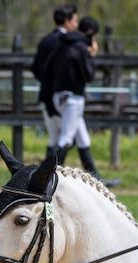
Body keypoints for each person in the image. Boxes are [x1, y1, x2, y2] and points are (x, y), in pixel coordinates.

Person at [50, 16, 119, 187]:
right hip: (73, 98)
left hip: (59, 94)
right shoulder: (80, 46)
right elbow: (89, 75)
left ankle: (96, 180)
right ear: (90, 33)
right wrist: (91, 56)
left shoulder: (63, 42)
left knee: (82, 139)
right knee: (65, 139)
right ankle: (47, 175)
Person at [31, 4, 78, 159]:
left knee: (56, 138)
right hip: (61, 96)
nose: (76, 24)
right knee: (67, 138)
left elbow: (35, 68)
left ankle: (48, 176)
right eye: (74, 20)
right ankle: (48, 176)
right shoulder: (66, 42)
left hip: (45, 94)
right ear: (67, 20)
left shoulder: (45, 41)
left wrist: (45, 83)